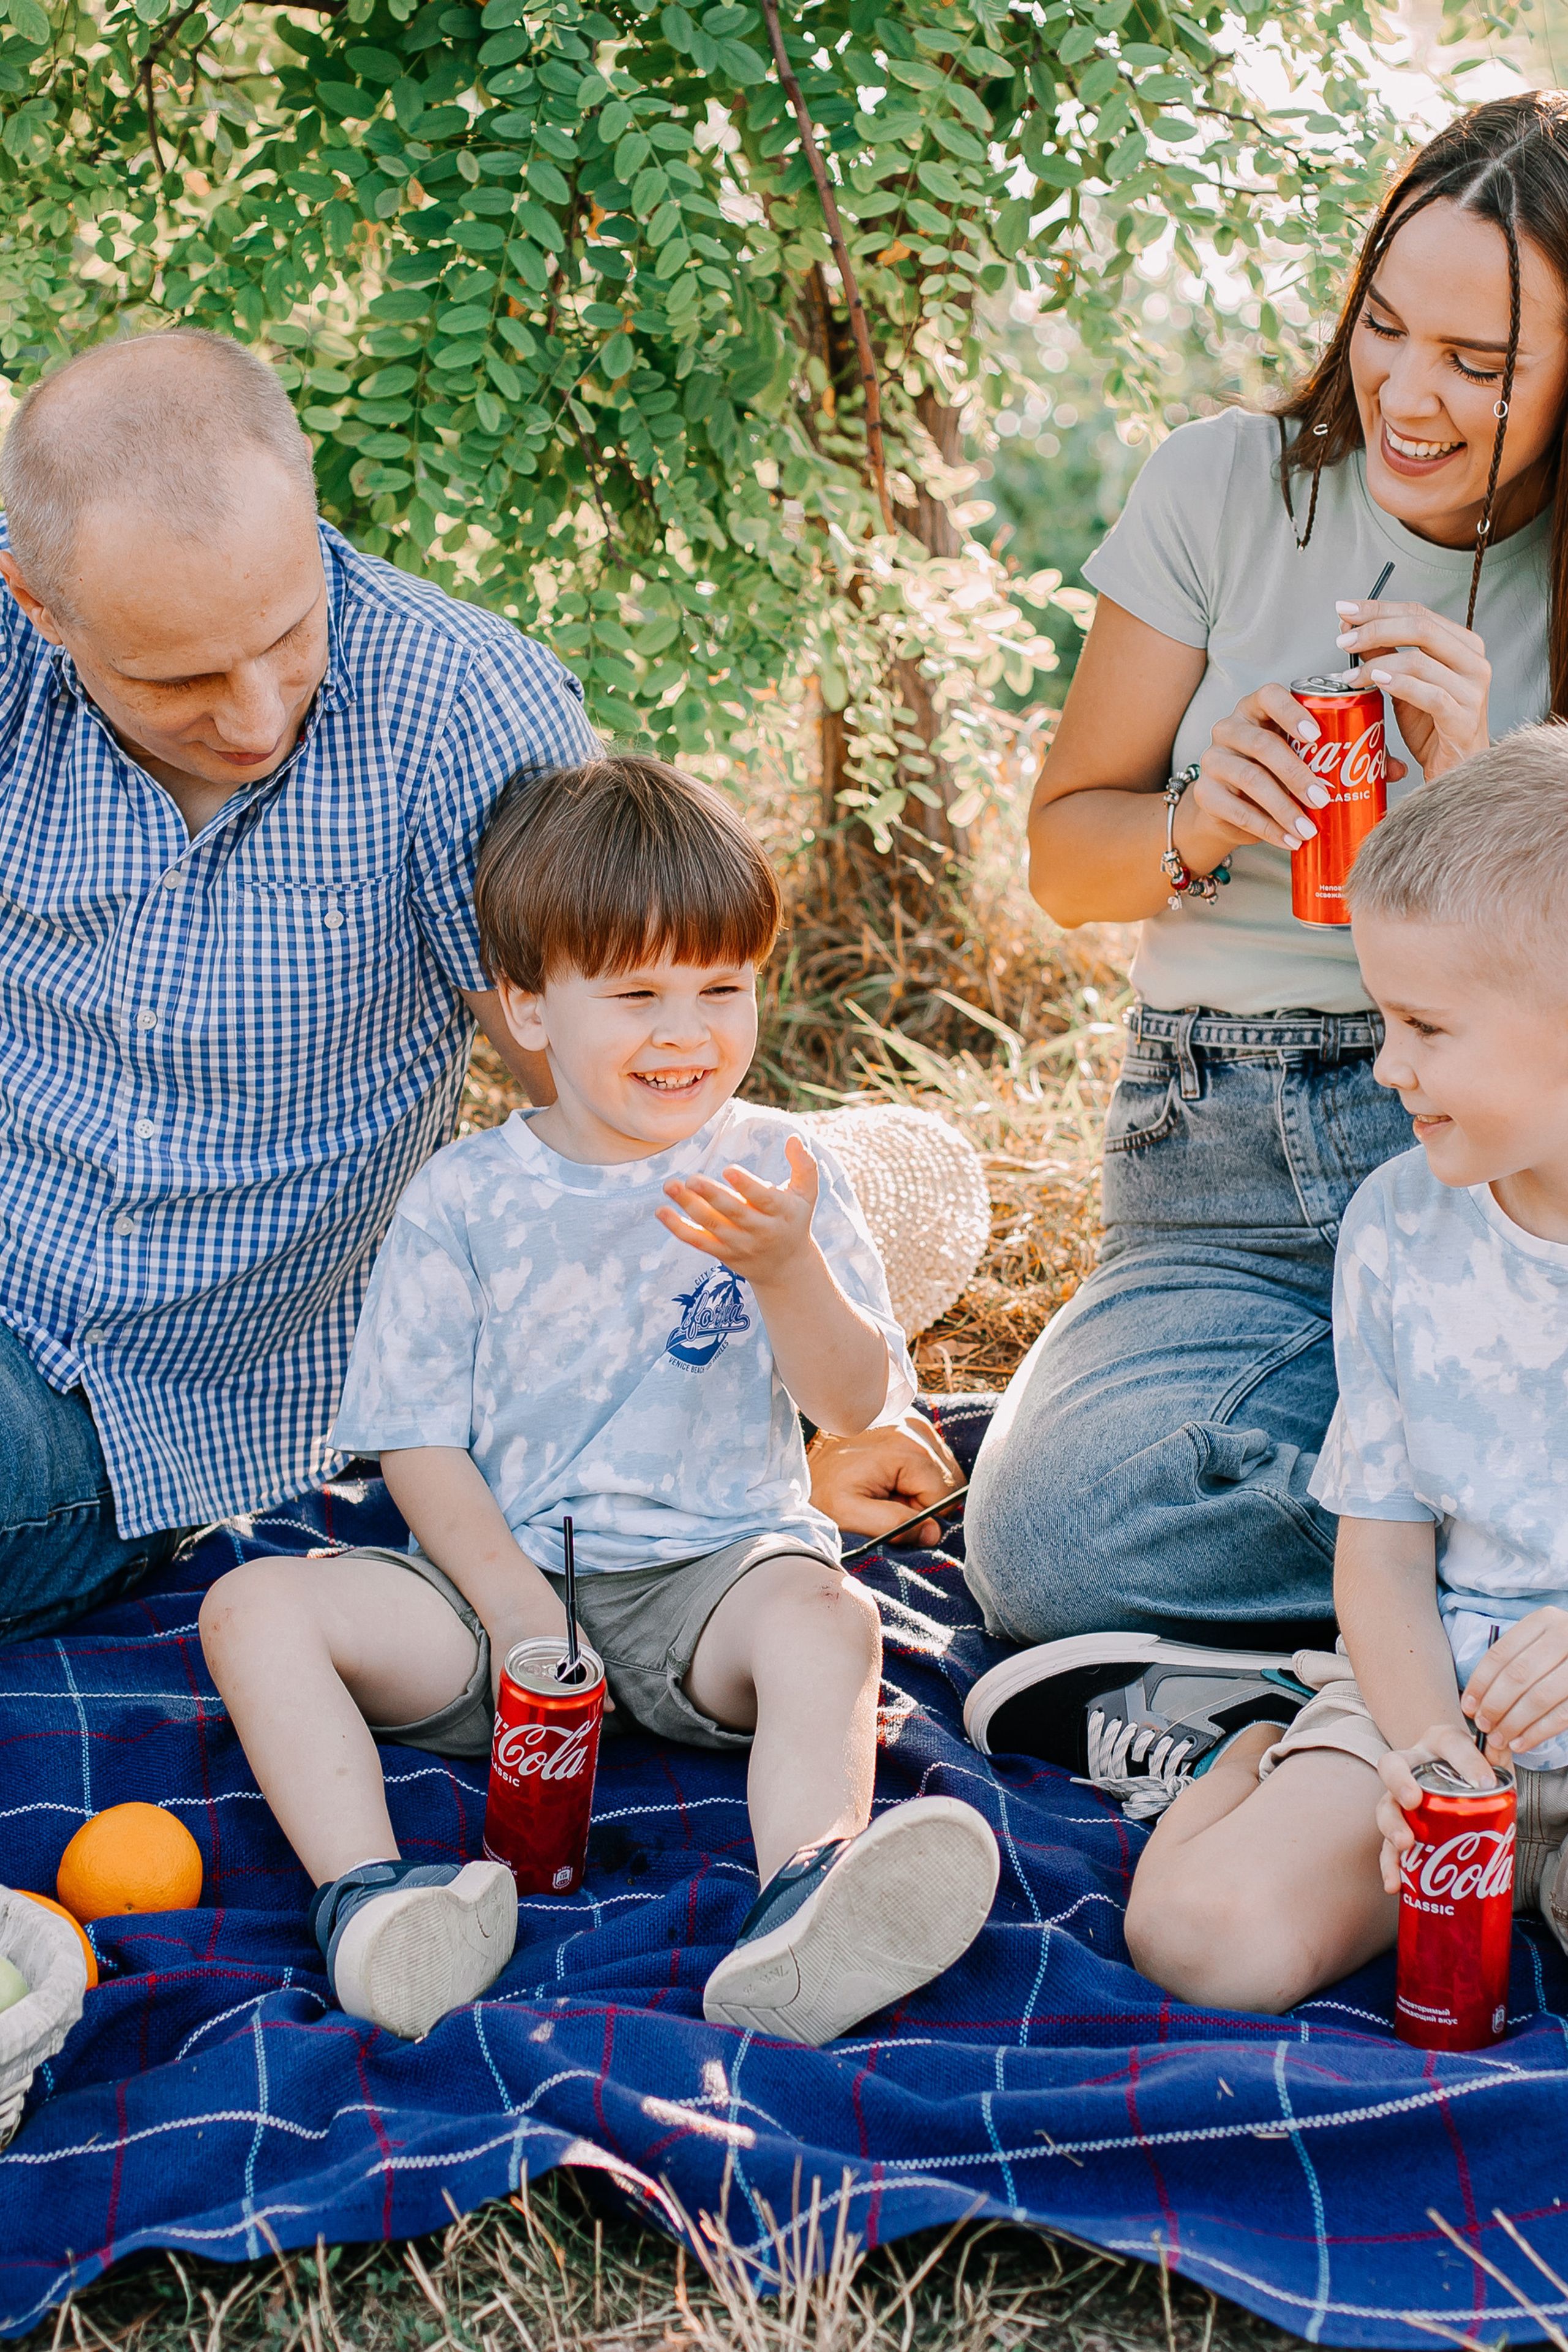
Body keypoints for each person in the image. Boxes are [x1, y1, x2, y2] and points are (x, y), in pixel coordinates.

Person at [950, 91, 1568, 1791]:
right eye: (1386, 326)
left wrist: (1492, 793)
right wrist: (1198, 824)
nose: (1412, 394)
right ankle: (1464, 1605)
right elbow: (1065, 863)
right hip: (1213, 1150)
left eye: (1482, 360)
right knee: (1047, 1538)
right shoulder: (1224, 485)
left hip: (1487, 1159)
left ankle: (1345, 1664)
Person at [198, 757, 1000, 2044]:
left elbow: (853, 1406)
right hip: (482, 1595)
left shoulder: (779, 1170)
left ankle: (805, 1900)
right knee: (250, 1606)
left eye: (720, 988)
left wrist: (786, 1269)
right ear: (527, 1007)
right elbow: (415, 1436)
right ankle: (373, 1902)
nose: (685, 1033)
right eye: (635, 994)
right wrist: (513, 1608)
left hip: (712, 1584)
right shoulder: (465, 1201)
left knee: (831, 1622)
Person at [0, 326, 595, 1642]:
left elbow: (612, 1105)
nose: (260, 714)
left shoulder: (465, 710)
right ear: (37, 609)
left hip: (166, 1407)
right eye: (180, 680)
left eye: (286, 632)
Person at [1112, 731, 1568, 2010]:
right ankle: (1248, 1744)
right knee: (1204, 1941)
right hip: (1434, 1701)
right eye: (1380, 1016)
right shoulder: (1396, 1224)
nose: (1385, 1066)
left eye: (1422, 1025)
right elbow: (1379, 1544)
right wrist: (1426, 1751)